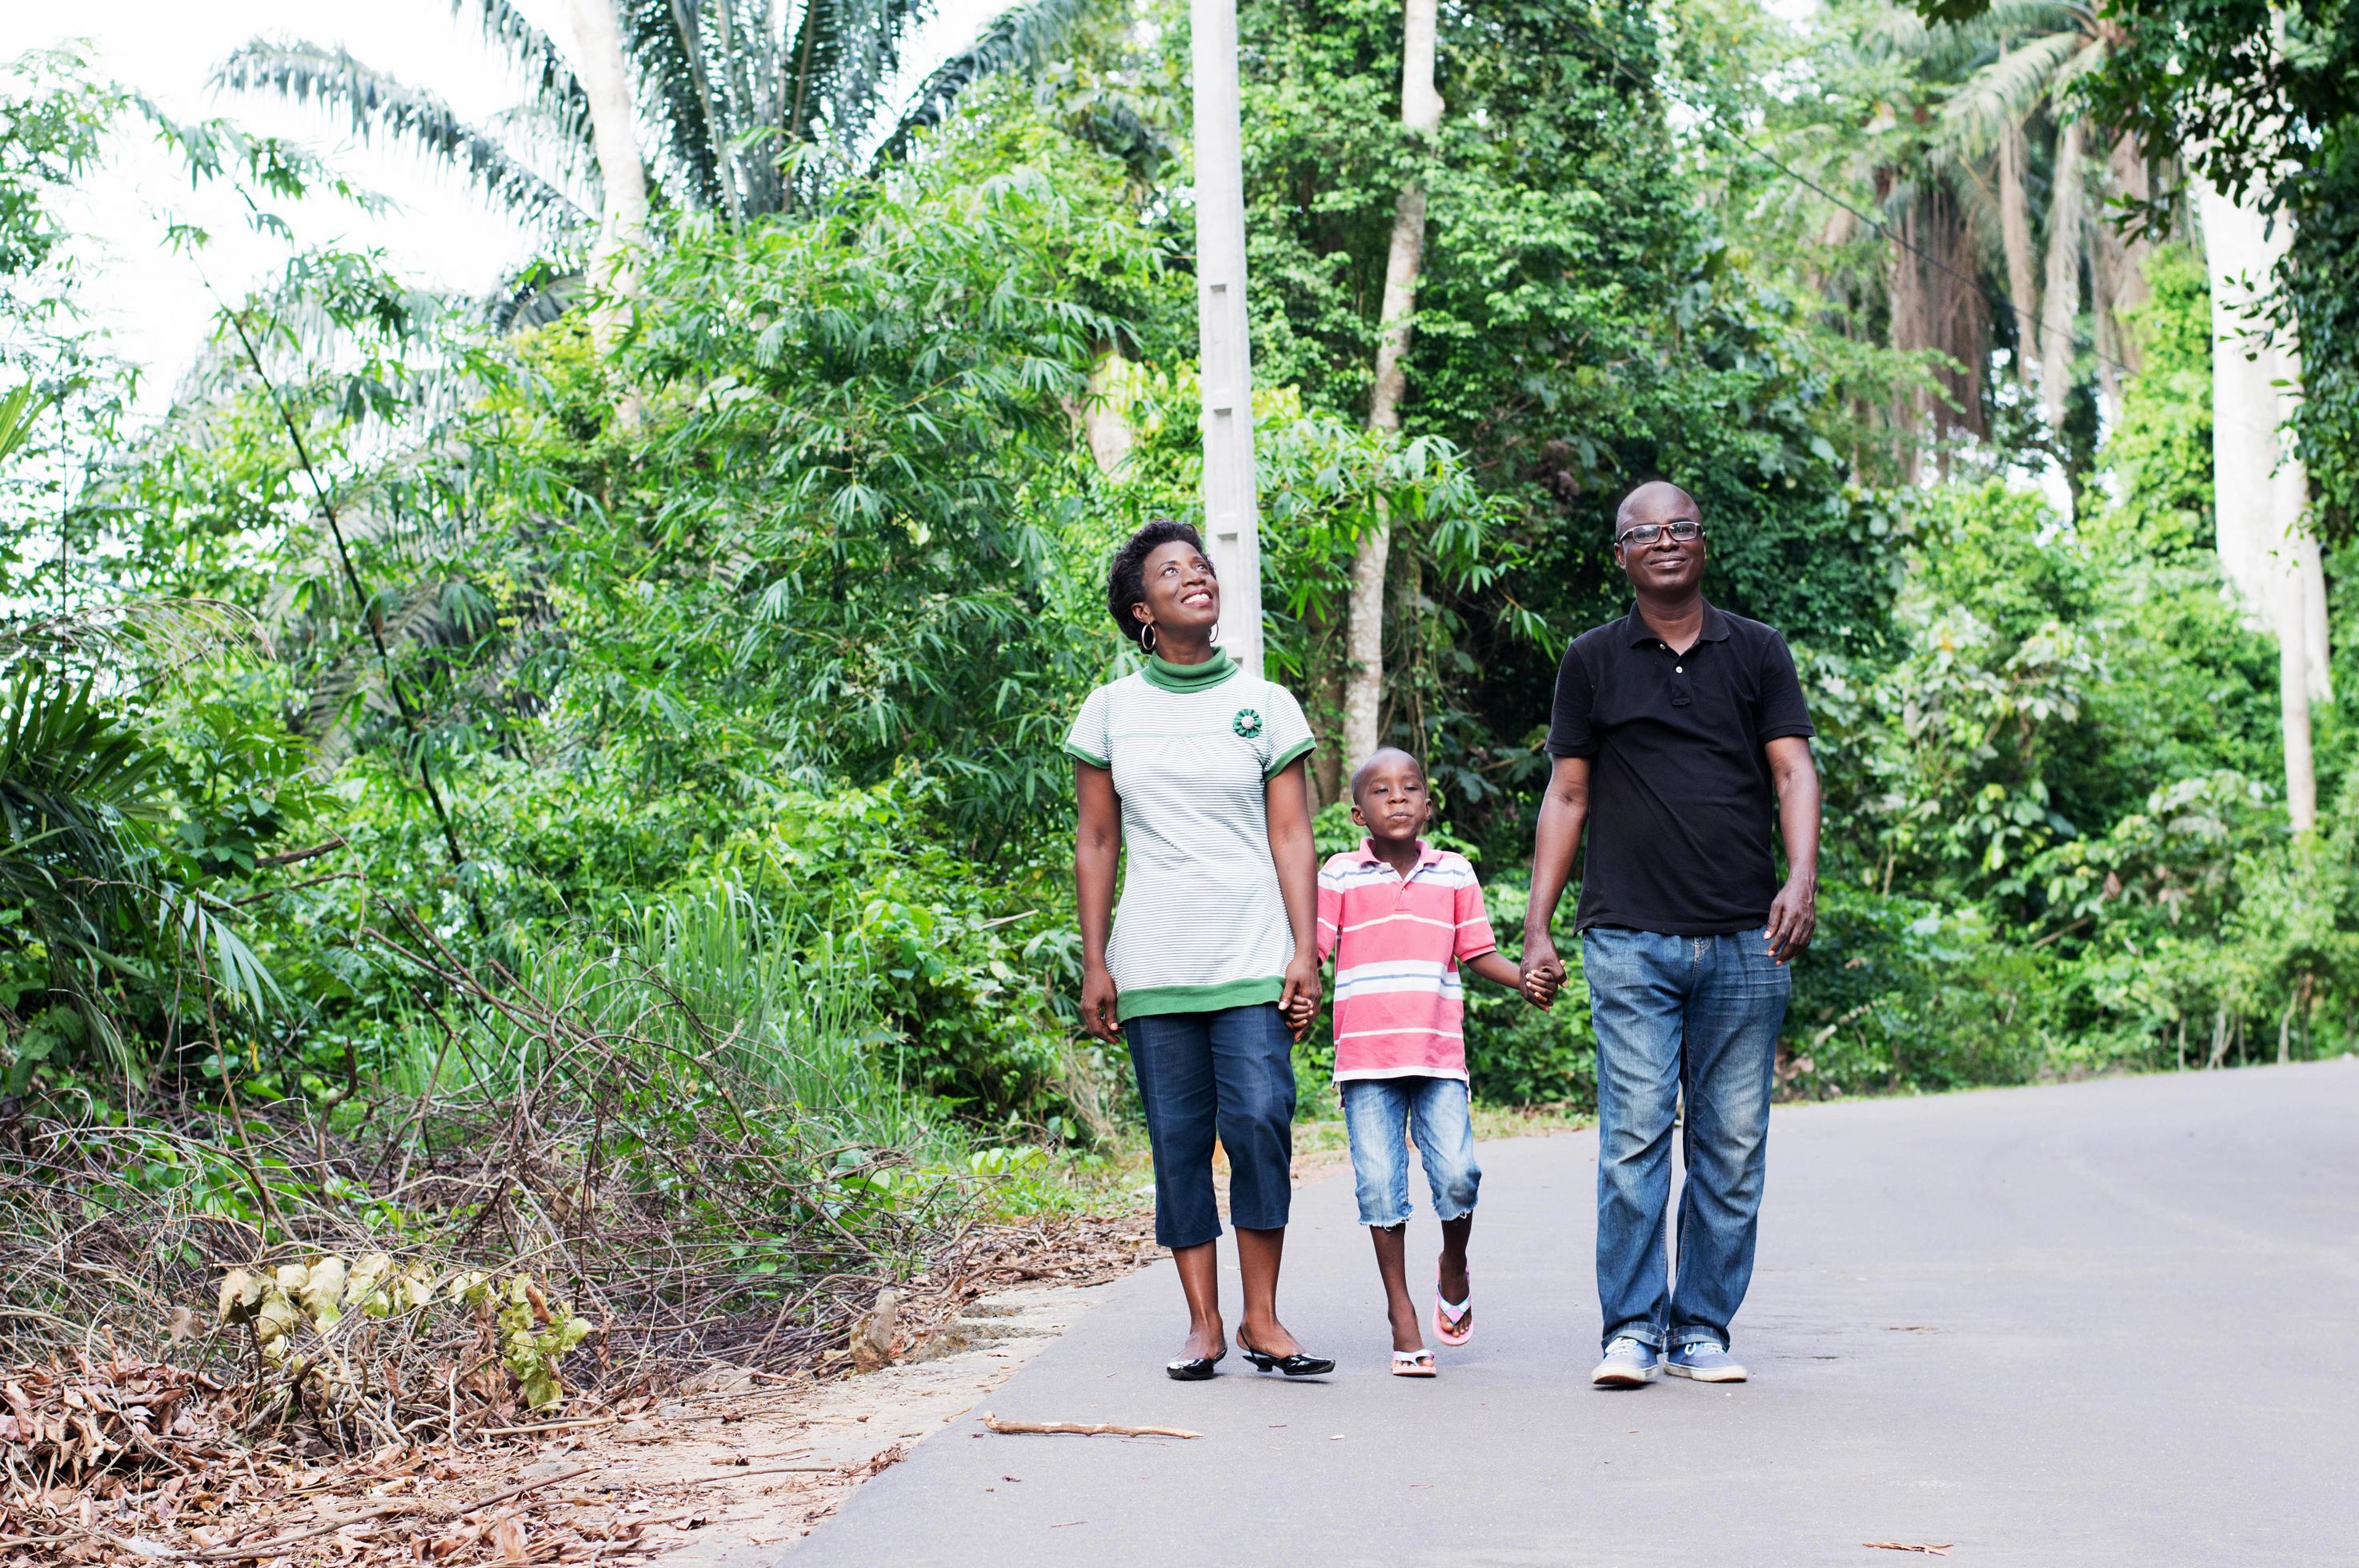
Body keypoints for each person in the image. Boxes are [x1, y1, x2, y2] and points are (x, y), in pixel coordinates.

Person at [1520, 480, 1821, 1389]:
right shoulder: (1591, 660)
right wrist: (1536, 923)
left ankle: (1700, 1328)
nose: (1663, 541)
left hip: (1744, 938)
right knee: (1634, 1139)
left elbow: (1792, 770)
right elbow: (1566, 794)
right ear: (1620, 555)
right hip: (1627, 938)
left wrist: (1799, 876)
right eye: (1642, 532)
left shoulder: (1756, 651)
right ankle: (1628, 1329)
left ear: (1702, 543)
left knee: (1730, 1145)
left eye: (1680, 526)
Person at [1067, 518, 1335, 1382]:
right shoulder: (1110, 710)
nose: (1194, 576)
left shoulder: (1264, 704)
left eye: (1201, 565)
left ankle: (1262, 1315)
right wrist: (1095, 958)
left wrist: (1306, 947)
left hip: (1253, 950)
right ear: (1141, 610)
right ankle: (1203, 1321)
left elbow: (1293, 838)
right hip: (1153, 958)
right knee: (1177, 1137)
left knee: (1259, 1120)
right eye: (1170, 570)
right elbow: (1096, 839)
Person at [1316, 746, 1552, 1376]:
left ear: (1428, 804)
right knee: (1379, 1186)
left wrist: (1524, 979)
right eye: (1381, 790)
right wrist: (1288, 999)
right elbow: (1310, 956)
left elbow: (1477, 953)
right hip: (1366, 1060)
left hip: (1438, 1054)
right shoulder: (1339, 874)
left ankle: (1453, 1261)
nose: (1397, 797)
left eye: (1410, 787)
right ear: (1358, 813)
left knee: (1458, 1177)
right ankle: (1402, 1315)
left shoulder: (1454, 874)